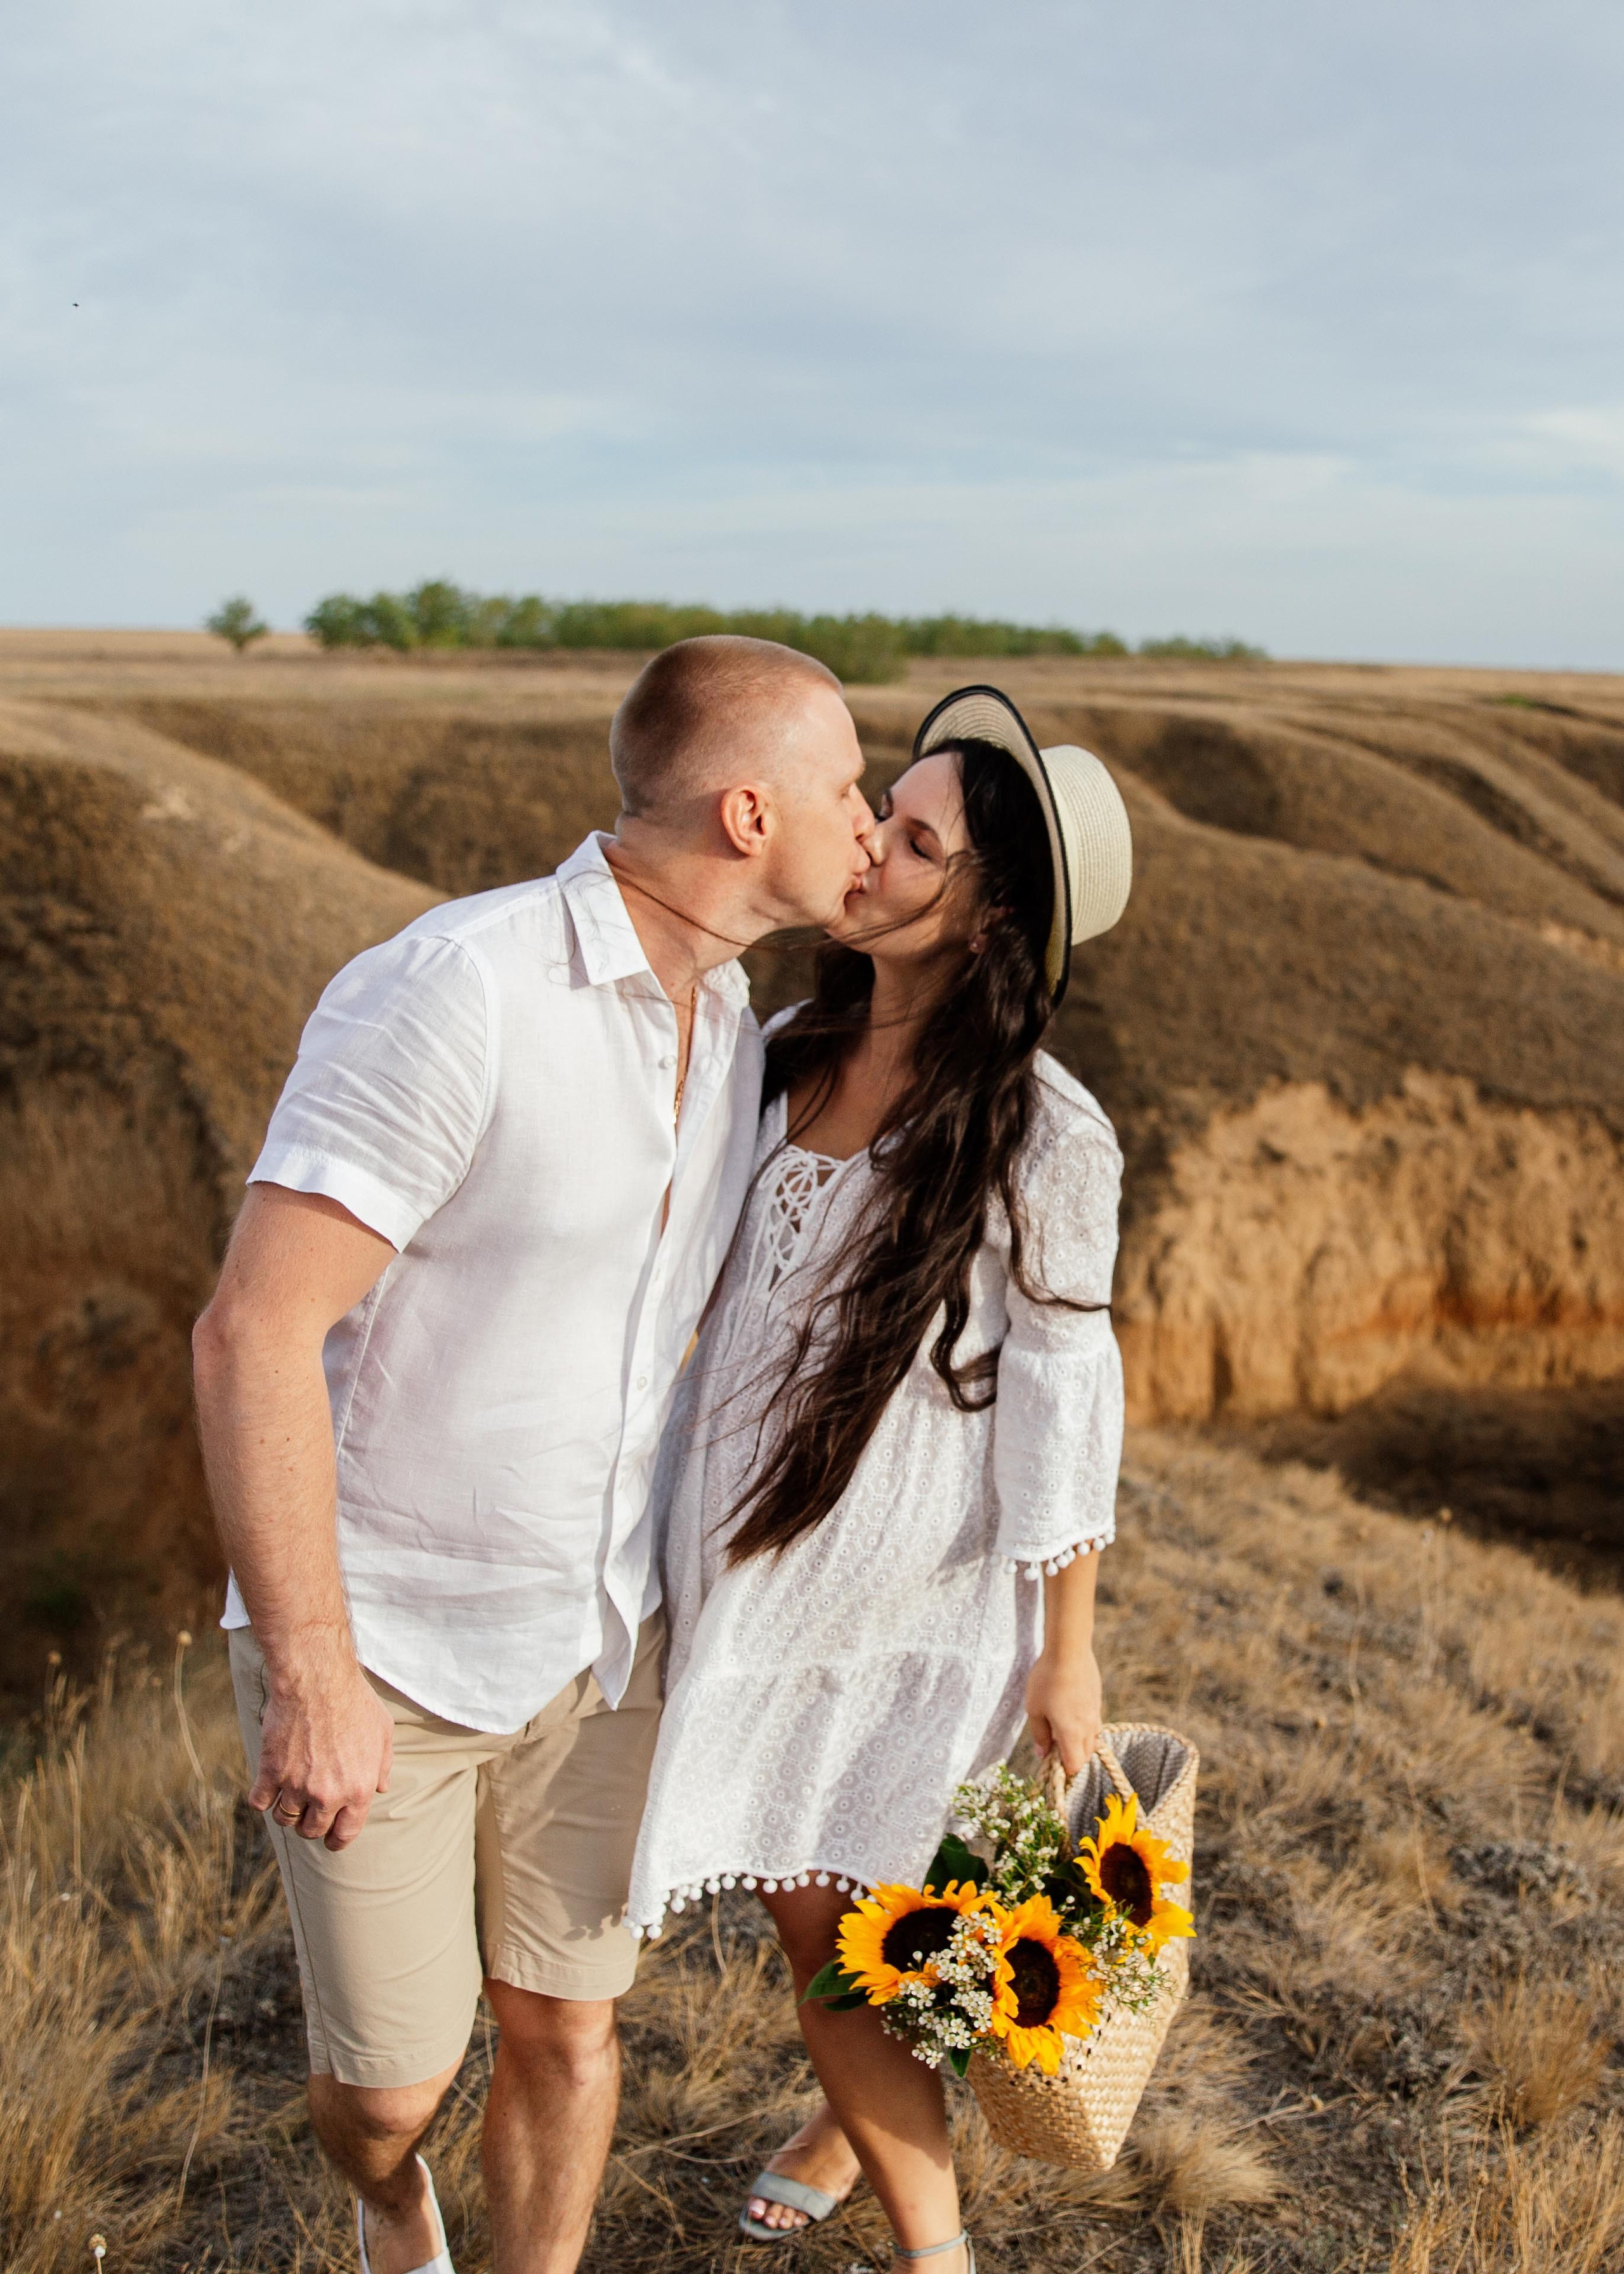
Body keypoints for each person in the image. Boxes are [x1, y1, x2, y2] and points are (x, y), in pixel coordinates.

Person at [191, 636, 874, 2274]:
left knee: (571, 2034)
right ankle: (381, 2195)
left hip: (598, 1650)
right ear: (744, 808)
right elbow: (251, 1334)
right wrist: (311, 1669)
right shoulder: (460, 991)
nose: (867, 824)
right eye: (850, 789)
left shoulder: (729, 1036)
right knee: (391, 2088)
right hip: (392, 1649)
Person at [625, 686, 1134, 2274]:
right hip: (752, 1560)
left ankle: (934, 2250)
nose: (871, 847)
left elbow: (1063, 1394)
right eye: (881, 814)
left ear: (989, 915)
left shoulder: (1046, 1134)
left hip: (908, 1582)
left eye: (917, 841)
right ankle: (850, 2120)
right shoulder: (778, 1052)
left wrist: (1067, 1646)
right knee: (851, 1916)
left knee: (834, 1922)